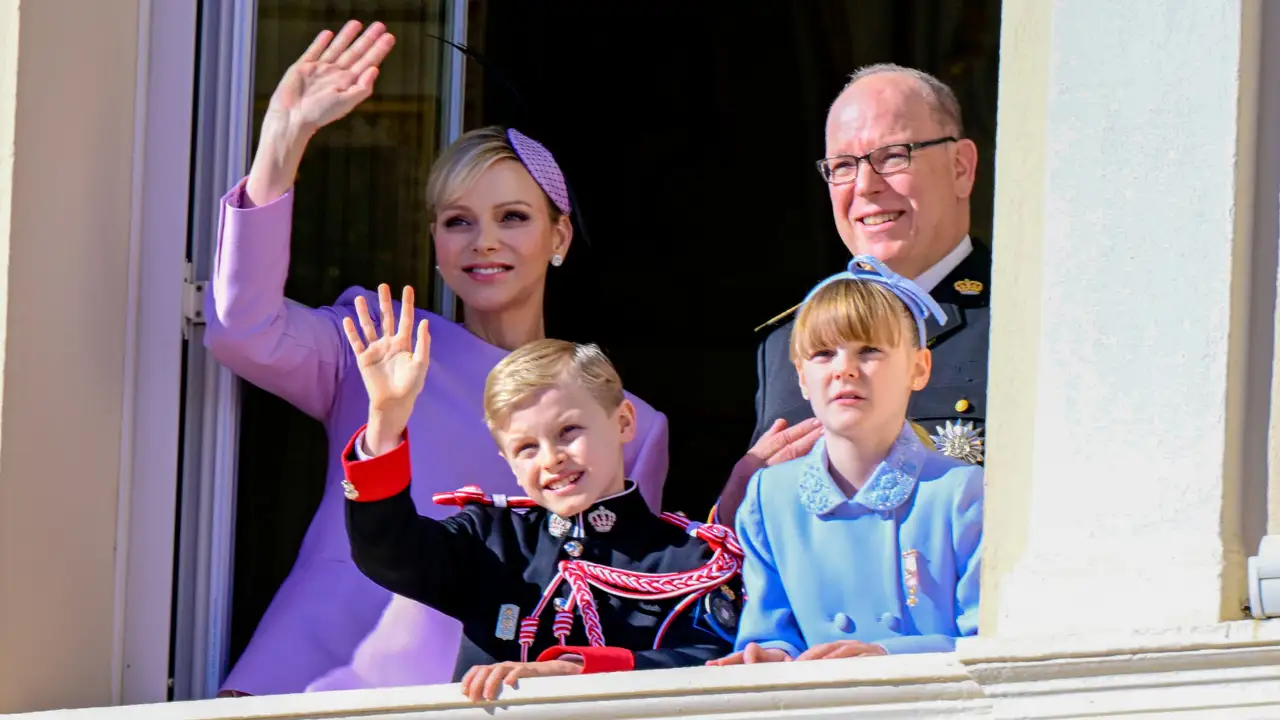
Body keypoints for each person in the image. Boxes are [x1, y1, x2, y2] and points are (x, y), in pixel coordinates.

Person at [205, 21, 669, 696]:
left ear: (559, 234)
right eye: (458, 220)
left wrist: (738, 504)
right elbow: (240, 330)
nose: (484, 241)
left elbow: (624, 591)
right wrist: (283, 139)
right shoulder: (379, 339)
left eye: (512, 217)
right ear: (435, 242)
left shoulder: (631, 421)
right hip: (316, 683)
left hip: (488, 696)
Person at [337, 302, 742, 702]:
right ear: (508, 463)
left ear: (624, 422)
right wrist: (386, 420)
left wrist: (576, 669)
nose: (551, 459)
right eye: (527, 448)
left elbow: (716, 663)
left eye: (568, 430)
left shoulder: (691, 559)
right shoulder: (490, 539)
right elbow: (388, 552)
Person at [717, 64, 990, 528]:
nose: (865, 186)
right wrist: (734, 502)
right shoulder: (788, 342)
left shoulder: (1022, 320)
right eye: (843, 167)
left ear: (961, 168)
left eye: (893, 156)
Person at [708, 256, 982, 666]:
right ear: (800, 376)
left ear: (919, 368)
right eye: (822, 354)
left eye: (869, 350)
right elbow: (771, 629)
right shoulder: (769, 498)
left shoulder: (962, 493)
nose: (845, 370)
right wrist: (765, 657)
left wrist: (885, 654)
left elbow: (991, 641)